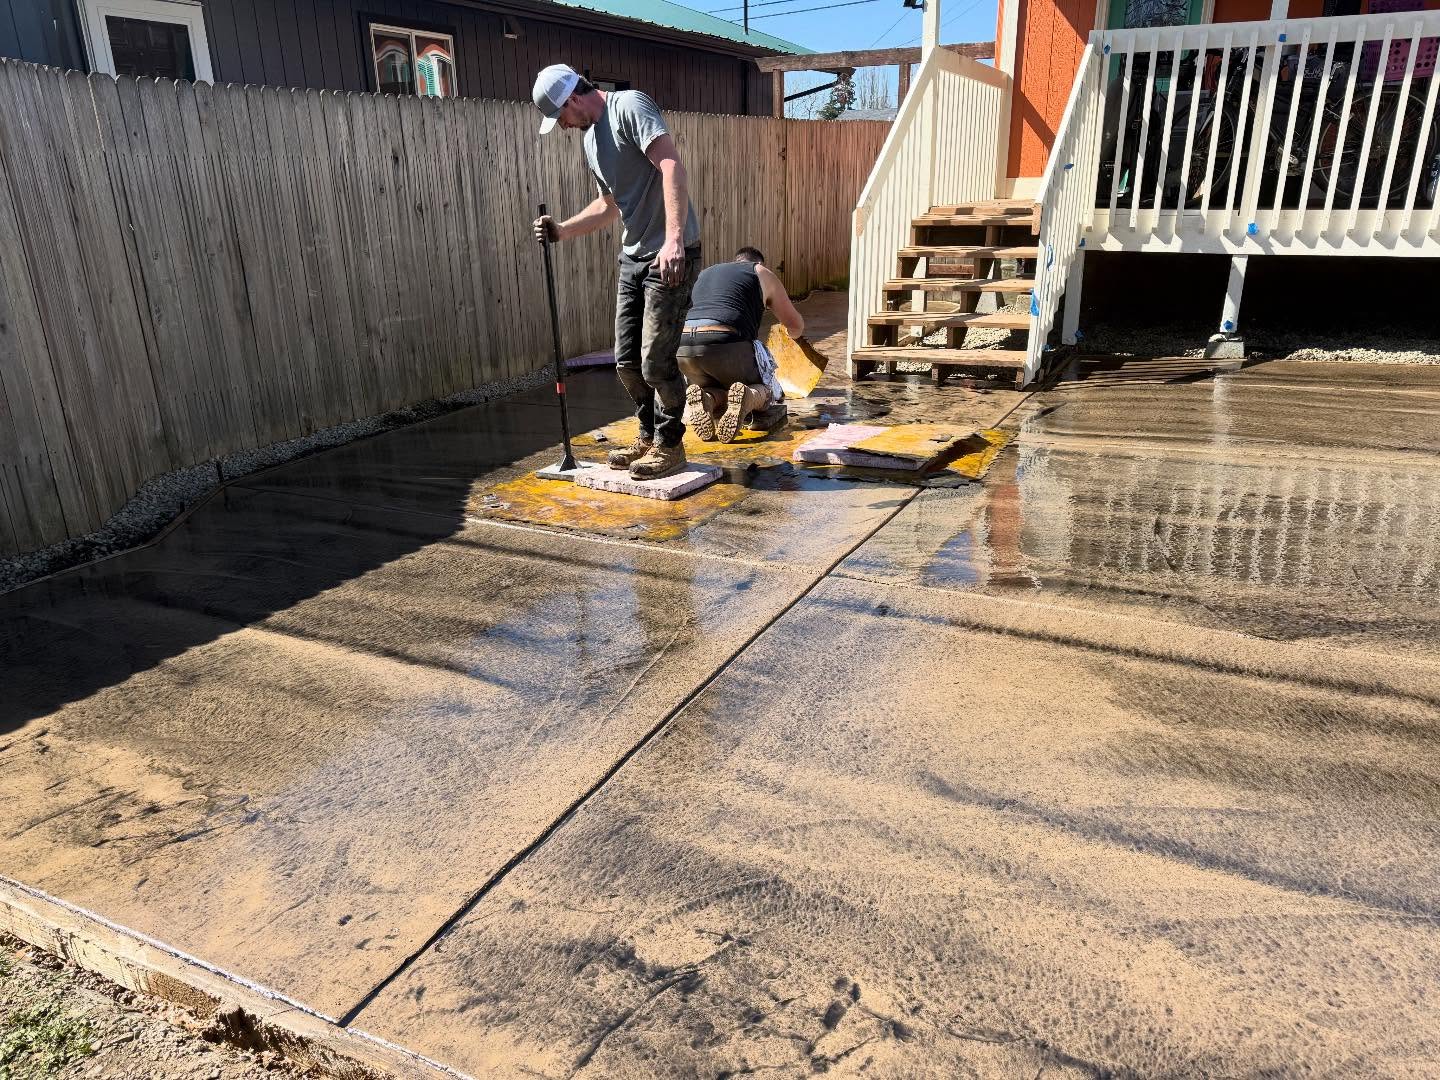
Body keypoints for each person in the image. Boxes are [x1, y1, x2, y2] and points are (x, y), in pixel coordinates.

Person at [530, 63, 701, 481]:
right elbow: (610, 205)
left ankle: (670, 445)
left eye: (561, 117)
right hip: (634, 257)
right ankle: (647, 435)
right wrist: (562, 230)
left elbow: (671, 166)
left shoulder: (630, 106)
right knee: (626, 361)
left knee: (655, 362)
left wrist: (674, 238)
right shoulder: (589, 139)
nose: (564, 126)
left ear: (572, 99)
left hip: (669, 254)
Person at [677, 247, 805, 443]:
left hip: (684, 350)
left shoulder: (705, 273)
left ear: (736, 261)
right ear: (759, 263)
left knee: (719, 386)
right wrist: (792, 336)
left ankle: (707, 399)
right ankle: (749, 397)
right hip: (725, 344)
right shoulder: (760, 272)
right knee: (767, 390)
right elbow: (795, 325)